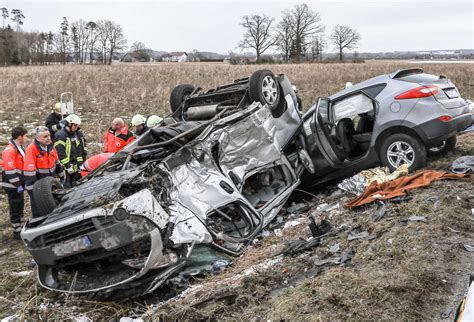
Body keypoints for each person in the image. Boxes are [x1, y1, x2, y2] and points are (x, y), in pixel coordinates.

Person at [24, 126, 64, 218]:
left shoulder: (51, 145)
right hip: (39, 184)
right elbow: (29, 171)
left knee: (55, 204)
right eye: (45, 137)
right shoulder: (31, 150)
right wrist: (32, 190)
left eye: (49, 135)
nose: (48, 138)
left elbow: (57, 161)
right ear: (37, 138)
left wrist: (61, 176)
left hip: (51, 182)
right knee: (39, 210)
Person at [0, 127, 28, 239]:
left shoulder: (18, 148)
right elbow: (10, 170)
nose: (26, 138)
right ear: (20, 137)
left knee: (19, 204)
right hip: (12, 184)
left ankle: (20, 227)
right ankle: (17, 231)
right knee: (15, 206)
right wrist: (17, 185)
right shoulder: (10, 150)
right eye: (25, 136)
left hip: (17, 183)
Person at [54, 114, 86, 188]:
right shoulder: (60, 135)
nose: (77, 128)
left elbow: (78, 150)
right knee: (66, 188)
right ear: (69, 124)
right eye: (75, 125)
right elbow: (60, 153)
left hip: (74, 168)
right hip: (64, 169)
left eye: (77, 126)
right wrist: (67, 166)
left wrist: (80, 164)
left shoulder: (74, 134)